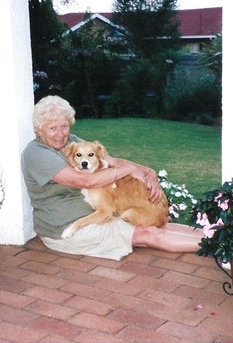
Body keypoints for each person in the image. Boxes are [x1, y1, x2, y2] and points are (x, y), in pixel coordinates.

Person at [22, 95, 202, 261]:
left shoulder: (72, 142)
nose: (61, 134)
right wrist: (128, 169)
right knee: (147, 234)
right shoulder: (37, 154)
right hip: (66, 229)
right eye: (52, 128)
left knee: (161, 226)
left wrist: (149, 173)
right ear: (39, 129)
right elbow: (86, 181)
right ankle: (215, 245)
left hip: (98, 214)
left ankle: (214, 235)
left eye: (64, 126)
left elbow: (111, 160)